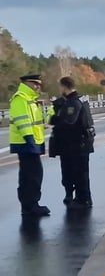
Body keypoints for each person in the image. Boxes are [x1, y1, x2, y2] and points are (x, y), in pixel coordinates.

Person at [49, 77, 95, 210]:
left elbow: (68, 122)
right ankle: (80, 198)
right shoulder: (77, 100)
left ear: (64, 86)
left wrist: (56, 119)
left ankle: (84, 199)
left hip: (76, 144)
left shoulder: (73, 103)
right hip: (75, 144)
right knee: (75, 172)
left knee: (80, 173)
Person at [10, 74, 51, 217]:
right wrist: (30, 140)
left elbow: (40, 122)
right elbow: (22, 122)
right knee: (33, 175)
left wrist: (52, 110)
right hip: (26, 143)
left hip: (32, 142)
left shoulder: (31, 100)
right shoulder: (21, 98)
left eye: (39, 84)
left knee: (29, 175)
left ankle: (29, 206)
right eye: (35, 83)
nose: (38, 86)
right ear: (26, 83)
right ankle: (31, 206)